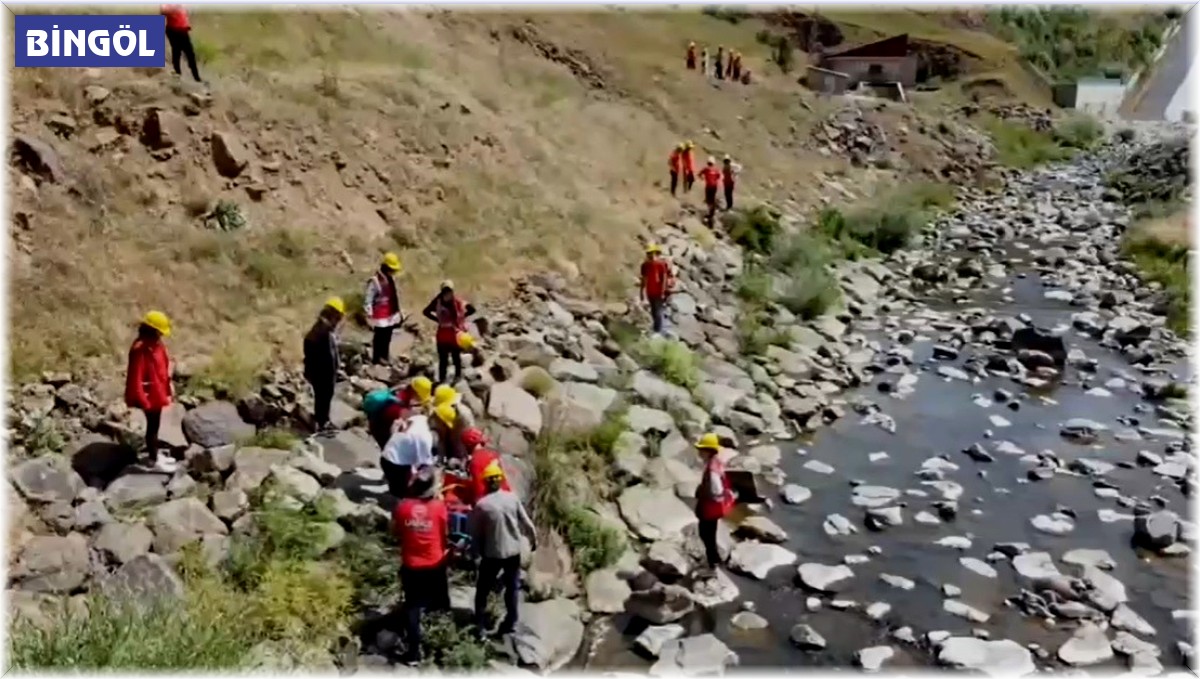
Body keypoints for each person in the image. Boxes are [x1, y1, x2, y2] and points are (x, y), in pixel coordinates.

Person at [469, 462, 537, 638]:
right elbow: (527, 523)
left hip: (492, 554)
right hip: (513, 552)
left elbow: (475, 534)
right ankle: (511, 621)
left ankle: (480, 626)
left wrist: (474, 555)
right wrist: (533, 540)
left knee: (482, 590)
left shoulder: (482, 505)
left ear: (485, 482)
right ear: (500, 480)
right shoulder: (512, 498)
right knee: (512, 587)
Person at [392, 466, 451, 666]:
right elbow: (445, 532)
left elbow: (395, 532)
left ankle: (414, 653)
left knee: (412, 607)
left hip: (412, 564)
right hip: (435, 561)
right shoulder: (438, 508)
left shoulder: (402, 507)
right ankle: (444, 640)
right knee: (440, 597)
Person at [125, 310, 176, 471]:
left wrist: (168, 387)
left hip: (157, 391)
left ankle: (154, 455)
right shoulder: (140, 348)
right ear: (152, 330)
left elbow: (162, 367)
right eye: (159, 332)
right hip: (148, 395)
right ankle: (154, 460)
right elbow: (136, 376)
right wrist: (142, 400)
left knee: (155, 424)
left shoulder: (155, 345)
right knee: (153, 426)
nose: (161, 336)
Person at [693, 433, 734, 578]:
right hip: (715, 509)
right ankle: (715, 559)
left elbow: (716, 489)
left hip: (709, 508)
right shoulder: (717, 463)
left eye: (701, 449)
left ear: (708, 451)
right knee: (710, 533)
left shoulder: (712, 469)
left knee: (706, 534)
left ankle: (712, 565)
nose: (699, 452)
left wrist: (708, 494)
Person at [422, 280, 476, 386]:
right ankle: (456, 377)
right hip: (453, 334)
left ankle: (444, 379)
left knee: (445, 359)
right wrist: (462, 317)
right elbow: (472, 309)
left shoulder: (437, 301)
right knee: (453, 357)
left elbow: (426, 312)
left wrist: (438, 319)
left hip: (444, 333)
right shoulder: (457, 301)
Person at [303, 298, 344, 435]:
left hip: (317, 371)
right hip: (324, 372)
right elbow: (330, 355)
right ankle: (323, 422)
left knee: (321, 396)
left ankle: (322, 419)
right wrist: (335, 368)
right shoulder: (325, 332)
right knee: (325, 396)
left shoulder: (318, 328)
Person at [365, 376, 433, 449]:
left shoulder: (401, 392)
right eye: (420, 397)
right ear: (415, 393)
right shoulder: (399, 409)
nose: (420, 400)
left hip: (378, 422)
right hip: (381, 431)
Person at [380, 409, 434, 498]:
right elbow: (425, 464)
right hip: (396, 464)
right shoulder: (425, 437)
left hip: (387, 455)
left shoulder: (420, 419)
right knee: (402, 492)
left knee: (396, 485)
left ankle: (393, 490)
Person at [364, 252, 404, 365]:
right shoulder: (375, 281)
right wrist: (369, 312)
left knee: (387, 336)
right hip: (379, 316)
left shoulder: (390, 280)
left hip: (389, 313)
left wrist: (398, 312)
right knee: (379, 337)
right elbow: (368, 298)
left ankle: (385, 356)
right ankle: (377, 358)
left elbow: (394, 296)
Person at [463, 428, 511, 504]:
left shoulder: (475, 462)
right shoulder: (493, 455)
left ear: (467, 445)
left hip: (493, 501)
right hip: (507, 496)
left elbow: (479, 487)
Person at [432, 385, 476, 462]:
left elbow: (469, 438)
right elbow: (440, 438)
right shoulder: (438, 414)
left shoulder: (464, 414)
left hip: (461, 447)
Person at [160, 5, 202, 83]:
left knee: (189, 54)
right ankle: (179, 74)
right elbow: (164, 11)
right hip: (174, 30)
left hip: (182, 29)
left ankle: (195, 77)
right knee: (178, 52)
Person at [640, 244, 675, 335]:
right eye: (649, 253)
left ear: (657, 253)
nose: (651, 255)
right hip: (650, 291)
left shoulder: (661, 264)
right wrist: (641, 292)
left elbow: (663, 278)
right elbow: (644, 279)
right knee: (654, 311)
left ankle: (658, 331)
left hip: (659, 291)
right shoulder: (645, 265)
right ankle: (658, 329)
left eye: (653, 253)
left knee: (658, 311)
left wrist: (662, 291)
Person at [698, 156, 722, 223]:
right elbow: (719, 176)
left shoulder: (706, 169)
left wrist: (703, 178)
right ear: (713, 163)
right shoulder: (716, 169)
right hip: (714, 186)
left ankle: (709, 213)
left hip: (708, 186)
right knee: (712, 199)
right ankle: (712, 213)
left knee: (708, 199)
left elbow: (699, 174)